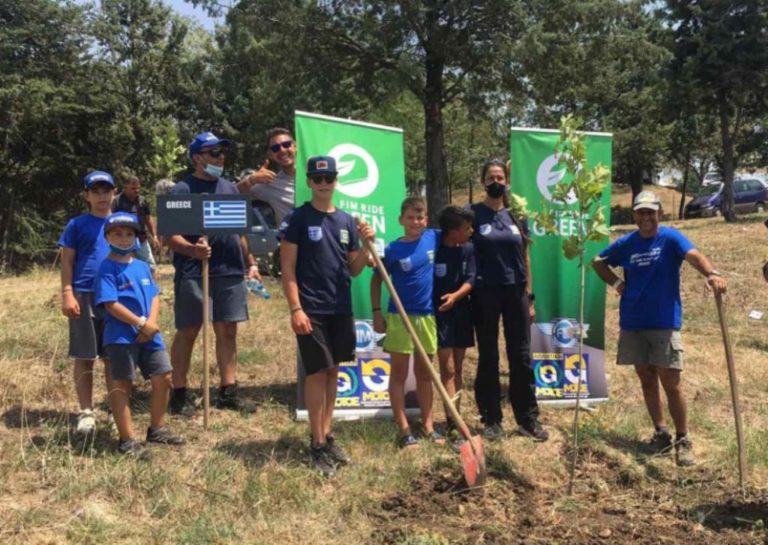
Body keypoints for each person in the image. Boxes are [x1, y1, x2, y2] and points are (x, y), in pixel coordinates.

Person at [592, 190, 727, 466]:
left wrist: (711, 274)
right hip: (633, 321)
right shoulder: (627, 243)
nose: (646, 217)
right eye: (641, 212)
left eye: (650, 212)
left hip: (664, 321)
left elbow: (693, 254)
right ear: (635, 215)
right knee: (646, 377)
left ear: (659, 214)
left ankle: (683, 438)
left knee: (671, 381)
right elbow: (597, 261)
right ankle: (661, 432)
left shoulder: (670, 238)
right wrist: (617, 284)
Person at [280, 155, 374, 477]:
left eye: (329, 179)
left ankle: (328, 434)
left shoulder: (347, 221)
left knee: (333, 372)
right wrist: (296, 308)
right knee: (317, 373)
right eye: (317, 179)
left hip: (340, 308)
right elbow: (288, 270)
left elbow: (354, 269)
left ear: (335, 181)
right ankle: (316, 444)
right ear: (309, 182)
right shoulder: (299, 219)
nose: (323, 184)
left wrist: (366, 247)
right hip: (311, 309)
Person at [166, 131, 260, 414]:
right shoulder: (182, 190)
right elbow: (169, 237)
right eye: (214, 153)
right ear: (197, 158)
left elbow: (240, 234)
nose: (220, 158)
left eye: (222, 153)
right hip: (195, 272)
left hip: (229, 272)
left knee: (228, 331)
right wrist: (192, 250)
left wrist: (251, 263)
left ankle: (227, 392)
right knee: (189, 331)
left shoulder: (230, 189)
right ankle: (178, 395)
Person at [95, 212, 185, 459]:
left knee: (163, 376)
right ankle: (126, 440)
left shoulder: (143, 267)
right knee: (122, 384)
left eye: (129, 234)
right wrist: (139, 323)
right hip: (121, 337)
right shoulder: (107, 268)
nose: (124, 239)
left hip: (150, 334)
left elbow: (155, 295)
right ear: (108, 237)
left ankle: (157, 428)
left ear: (136, 237)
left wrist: (151, 323)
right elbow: (110, 303)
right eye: (117, 234)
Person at [470, 159, 548, 442]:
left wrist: (529, 296)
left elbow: (524, 256)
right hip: (485, 293)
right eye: (490, 177)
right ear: (483, 182)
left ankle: (528, 419)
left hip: (516, 293)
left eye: (500, 177)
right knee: (488, 356)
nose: (496, 182)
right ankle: (492, 419)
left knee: (522, 357)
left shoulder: (517, 215)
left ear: (506, 181)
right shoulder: (472, 214)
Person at [371, 197, 442, 449]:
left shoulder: (434, 237)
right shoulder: (391, 250)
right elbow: (376, 280)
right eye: (410, 217)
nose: (415, 222)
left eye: (420, 217)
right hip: (399, 317)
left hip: (427, 317)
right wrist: (377, 312)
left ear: (426, 219)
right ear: (401, 220)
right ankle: (403, 429)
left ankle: (429, 426)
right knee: (399, 373)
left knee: (425, 374)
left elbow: (461, 227)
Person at [58, 170, 116, 434]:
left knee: (114, 356)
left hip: (116, 296)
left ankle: (117, 408)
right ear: (86, 196)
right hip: (83, 295)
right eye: (96, 191)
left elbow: (137, 258)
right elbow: (67, 261)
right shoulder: (77, 224)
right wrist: (68, 292)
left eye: (107, 190)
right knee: (85, 355)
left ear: (114, 193)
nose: (102, 196)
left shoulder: (123, 222)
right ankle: (86, 411)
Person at [434, 205, 476, 433]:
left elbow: (471, 278)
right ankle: (450, 418)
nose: (471, 231)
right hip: (441, 314)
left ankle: (456, 418)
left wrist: (456, 296)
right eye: (467, 228)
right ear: (452, 232)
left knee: (458, 367)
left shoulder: (469, 249)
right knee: (447, 368)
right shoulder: (434, 249)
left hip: (462, 313)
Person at [237, 127, 297, 223]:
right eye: (275, 148)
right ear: (270, 155)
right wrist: (251, 180)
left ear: (295, 146)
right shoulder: (270, 183)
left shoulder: (317, 176)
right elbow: (231, 193)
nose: (282, 150)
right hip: (291, 237)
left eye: (286, 144)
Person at [111, 175, 160, 273]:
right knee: (127, 266)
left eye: (138, 188)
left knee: (150, 266)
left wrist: (154, 236)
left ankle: (151, 287)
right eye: (133, 188)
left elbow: (148, 219)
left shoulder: (142, 200)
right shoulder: (117, 201)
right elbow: (111, 222)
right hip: (124, 239)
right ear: (125, 187)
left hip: (141, 238)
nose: (136, 191)